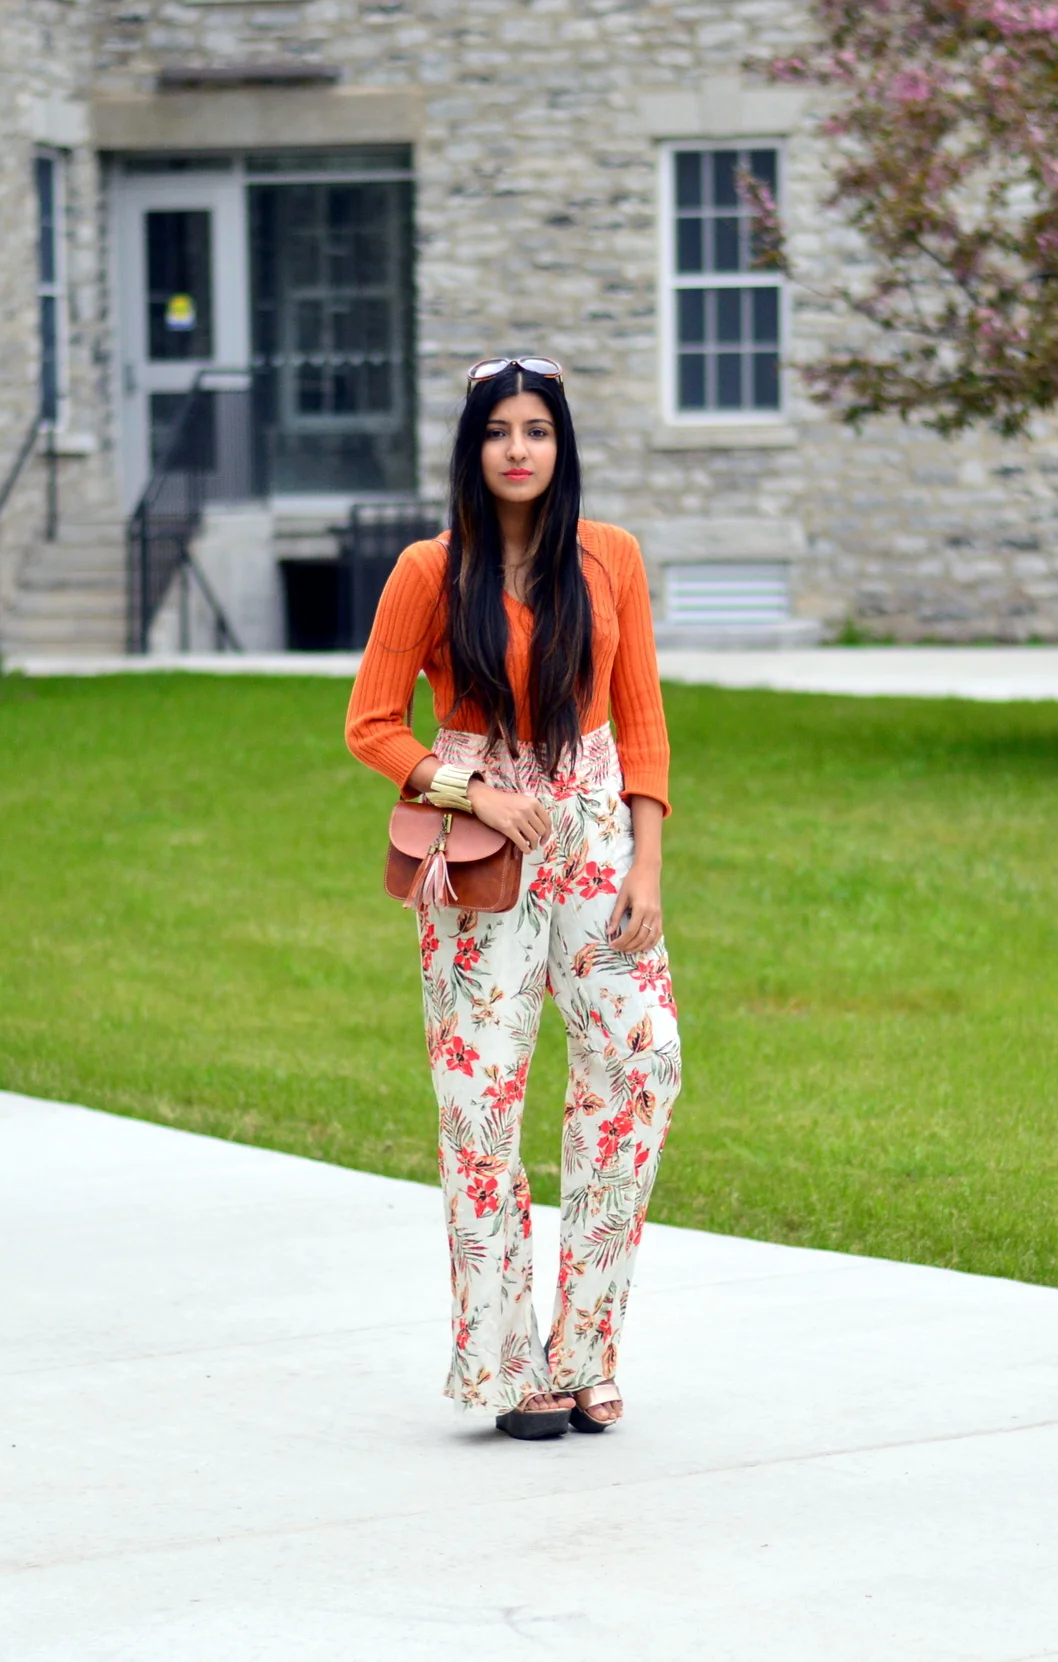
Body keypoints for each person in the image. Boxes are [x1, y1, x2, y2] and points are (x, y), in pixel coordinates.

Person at [345, 355, 682, 1441]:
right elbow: (370, 723)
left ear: (561, 443)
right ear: (472, 447)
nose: (519, 449)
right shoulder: (426, 570)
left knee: (640, 1067)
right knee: (482, 1106)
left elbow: (641, 725)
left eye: (537, 429)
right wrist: (474, 789)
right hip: (480, 851)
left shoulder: (611, 559)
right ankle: (503, 1368)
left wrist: (645, 865)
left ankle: (586, 1350)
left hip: (593, 834)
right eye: (499, 430)